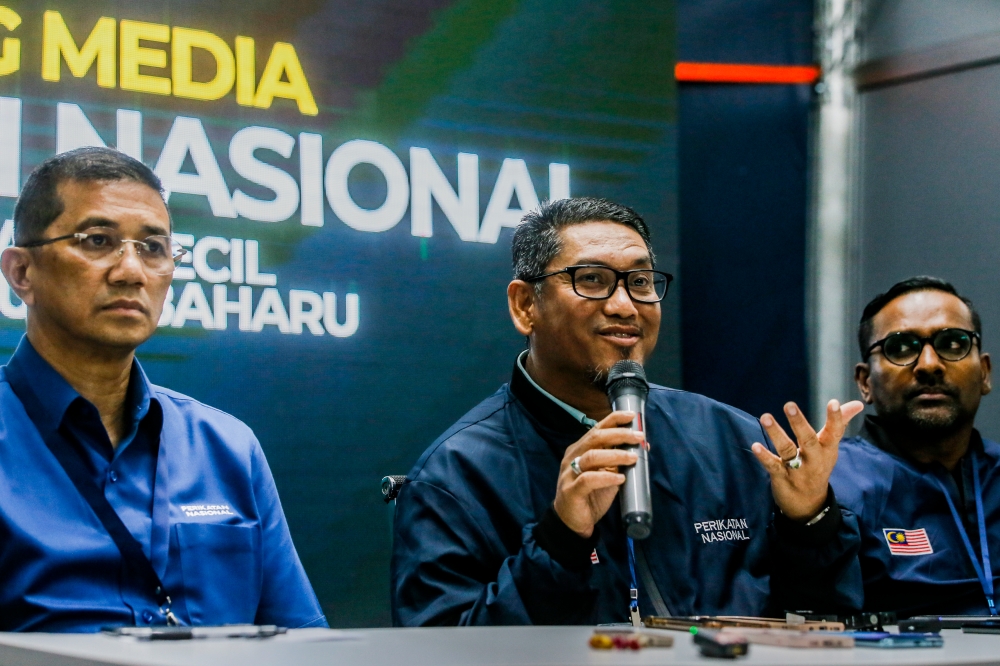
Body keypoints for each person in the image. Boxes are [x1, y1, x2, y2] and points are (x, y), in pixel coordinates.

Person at [390, 197, 862, 626]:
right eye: (591, 280)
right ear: (524, 306)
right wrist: (560, 541)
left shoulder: (734, 439)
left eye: (639, 282)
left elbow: (825, 620)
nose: (624, 306)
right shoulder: (456, 474)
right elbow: (441, 650)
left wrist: (811, 524)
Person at [0, 147, 326, 632]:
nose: (131, 271)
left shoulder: (228, 447)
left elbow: (303, 644)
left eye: (153, 248)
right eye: (97, 240)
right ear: (22, 272)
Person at [762, 277, 998, 618]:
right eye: (900, 347)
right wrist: (807, 519)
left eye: (953, 342)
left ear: (985, 373)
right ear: (865, 382)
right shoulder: (830, 485)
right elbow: (813, 614)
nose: (929, 364)